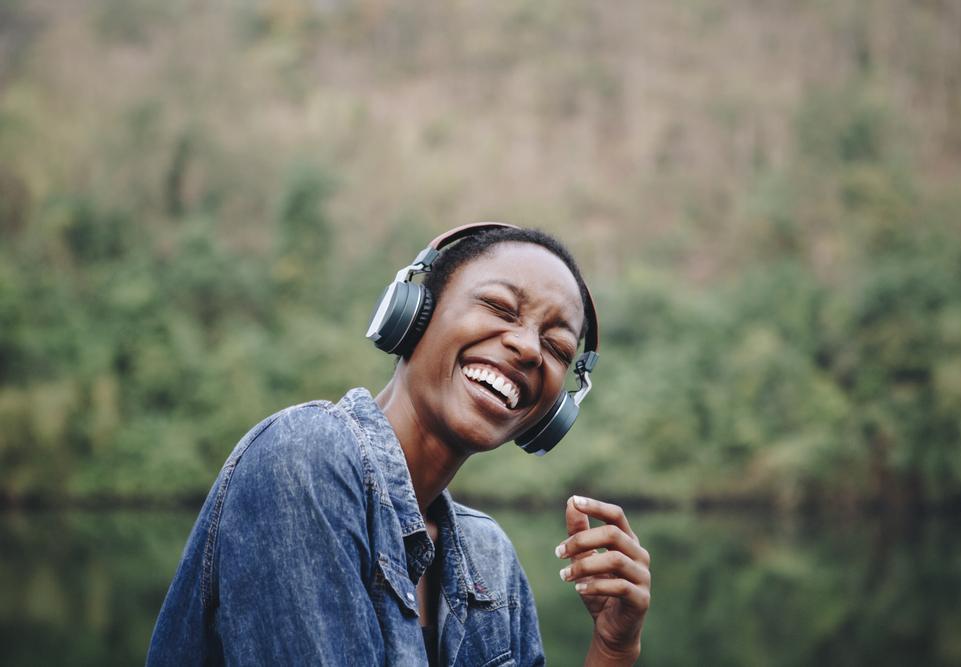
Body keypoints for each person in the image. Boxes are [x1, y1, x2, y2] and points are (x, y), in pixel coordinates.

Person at [147, 224, 651, 666]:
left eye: (558, 348)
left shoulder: (489, 559)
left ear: (553, 413)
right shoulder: (303, 457)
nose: (526, 347)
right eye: (499, 307)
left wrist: (613, 649)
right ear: (414, 313)